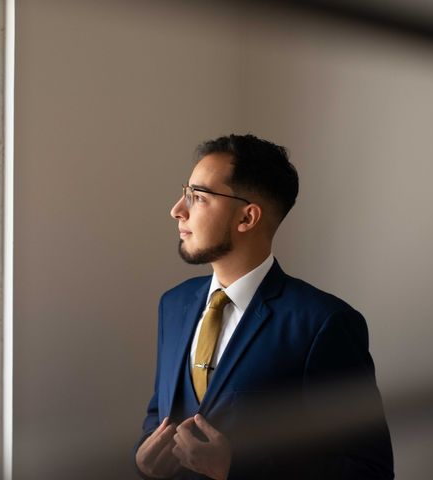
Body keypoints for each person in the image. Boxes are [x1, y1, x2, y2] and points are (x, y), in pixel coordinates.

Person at [134, 134, 394, 479]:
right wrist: (144, 464)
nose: (177, 210)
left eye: (197, 197)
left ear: (247, 218)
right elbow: (161, 413)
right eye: (185, 193)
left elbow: (369, 471)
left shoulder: (323, 323)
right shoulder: (174, 304)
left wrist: (238, 468)